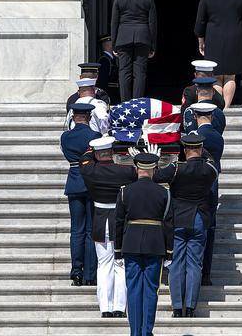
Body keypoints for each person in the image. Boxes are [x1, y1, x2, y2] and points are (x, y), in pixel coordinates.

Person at [154, 133, 218, 317]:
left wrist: (158, 162)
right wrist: (202, 151)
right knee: (194, 264)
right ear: (200, 149)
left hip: (179, 219)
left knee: (176, 263)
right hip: (199, 218)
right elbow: (212, 162)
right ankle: (190, 307)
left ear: (184, 149)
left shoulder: (176, 168)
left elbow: (156, 176)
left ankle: (177, 307)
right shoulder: (209, 169)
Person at [115, 151, 174, 336]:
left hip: (131, 244)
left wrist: (117, 250)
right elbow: (169, 224)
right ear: (155, 170)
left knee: (133, 289)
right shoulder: (164, 193)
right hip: (155, 245)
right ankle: (146, 331)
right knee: (150, 291)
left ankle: (135, 332)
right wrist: (169, 251)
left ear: (136, 168)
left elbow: (118, 222)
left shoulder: (125, 191)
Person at [79, 135, 137, 318]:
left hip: (100, 219)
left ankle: (105, 307)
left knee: (103, 265)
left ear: (96, 154)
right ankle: (120, 307)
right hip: (120, 220)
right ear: (112, 152)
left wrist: (93, 147)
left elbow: (83, 158)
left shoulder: (89, 170)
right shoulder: (125, 171)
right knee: (120, 264)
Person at [61, 103, 101, 287]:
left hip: (74, 183)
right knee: (90, 230)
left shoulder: (65, 137)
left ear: (73, 117)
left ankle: (76, 271)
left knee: (76, 230)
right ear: (89, 117)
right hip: (91, 183)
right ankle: (90, 273)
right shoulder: (94, 136)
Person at [190, 103, 224, 286]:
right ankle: (206, 273)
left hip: (197, 184)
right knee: (210, 227)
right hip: (213, 183)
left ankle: (195, 267)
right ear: (212, 116)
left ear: (195, 116)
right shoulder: (218, 137)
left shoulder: (195, 137)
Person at [111, 0, 157, 101]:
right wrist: (153, 46)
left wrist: (114, 44)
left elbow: (114, 23)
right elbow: (152, 24)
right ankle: (137, 102)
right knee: (140, 73)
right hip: (143, 37)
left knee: (124, 72)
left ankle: (125, 103)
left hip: (123, 37)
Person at [96, 37, 121, 105]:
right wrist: (103, 95)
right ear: (107, 45)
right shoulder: (104, 60)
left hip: (114, 93)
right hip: (109, 93)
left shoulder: (111, 59)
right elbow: (102, 80)